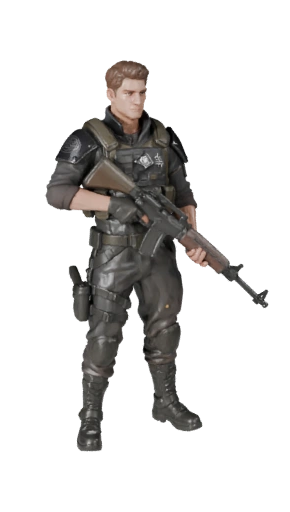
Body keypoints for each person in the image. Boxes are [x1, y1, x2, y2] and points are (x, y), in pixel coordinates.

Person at [47, 60, 205, 451]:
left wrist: (192, 239)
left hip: (160, 253)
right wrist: (114, 205)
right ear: (110, 95)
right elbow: (57, 192)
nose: (137, 100)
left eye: (142, 92)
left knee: (166, 331)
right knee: (103, 336)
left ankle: (166, 404)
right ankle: (89, 418)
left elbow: (185, 194)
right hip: (114, 251)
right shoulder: (88, 138)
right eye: (129, 93)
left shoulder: (162, 137)